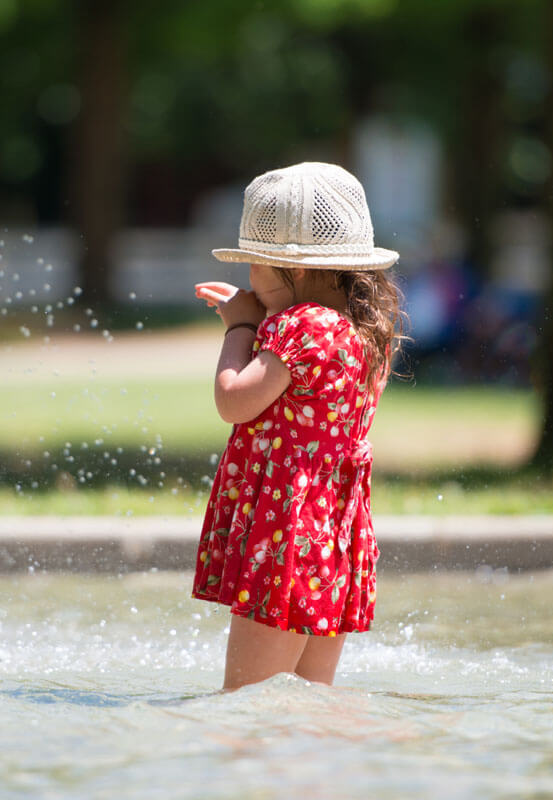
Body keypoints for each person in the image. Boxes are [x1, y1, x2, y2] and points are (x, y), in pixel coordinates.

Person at [192, 162, 406, 690]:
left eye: (257, 266)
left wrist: (239, 326)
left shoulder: (300, 326)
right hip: (331, 535)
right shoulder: (361, 331)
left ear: (300, 270)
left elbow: (234, 400)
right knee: (308, 706)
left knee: (245, 706)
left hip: (283, 537)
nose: (249, 280)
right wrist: (258, 318)